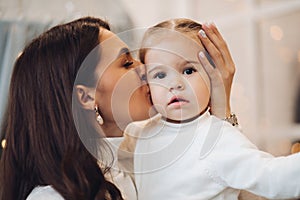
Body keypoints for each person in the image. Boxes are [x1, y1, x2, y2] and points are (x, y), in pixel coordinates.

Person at [0, 16, 235, 200]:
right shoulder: (52, 198)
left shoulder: (141, 163)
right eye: (126, 63)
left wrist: (221, 105)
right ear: (86, 97)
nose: (145, 68)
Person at [124, 18, 300, 200]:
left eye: (188, 70)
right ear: (147, 84)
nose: (175, 84)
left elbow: (274, 177)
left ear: (213, 75)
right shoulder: (138, 134)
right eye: (160, 75)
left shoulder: (219, 139)